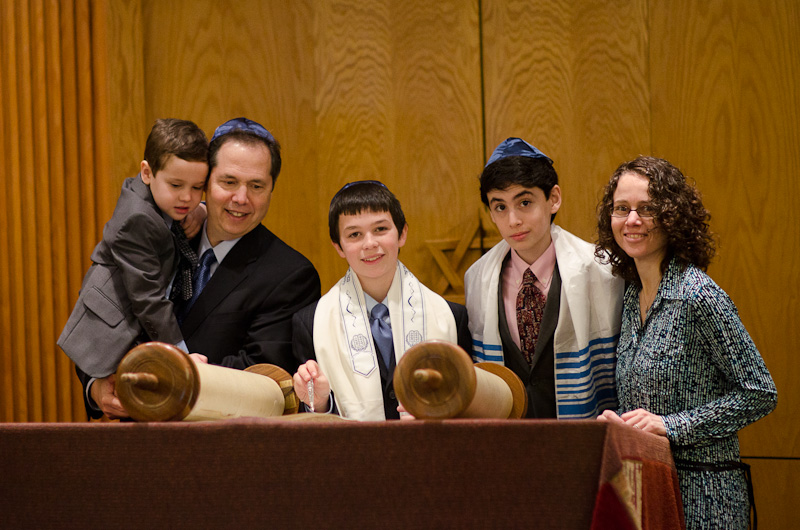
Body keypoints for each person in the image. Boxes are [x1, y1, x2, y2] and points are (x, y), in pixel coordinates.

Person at [78, 117, 322, 420]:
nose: (241, 198)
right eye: (228, 182)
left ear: (272, 189)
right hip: (131, 431)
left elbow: (261, 375)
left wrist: (160, 380)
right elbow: (104, 310)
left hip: (217, 439)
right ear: (205, 182)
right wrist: (96, 385)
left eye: (256, 186)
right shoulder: (156, 234)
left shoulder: (291, 275)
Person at [595, 156, 777, 529]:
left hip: (706, 499)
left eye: (647, 209)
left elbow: (760, 393)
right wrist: (621, 427)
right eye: (622, 208)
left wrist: (673, 425)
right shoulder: (630, 296)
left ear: (672, 217)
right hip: (649, 492)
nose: (632, 220)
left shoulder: (698, 295)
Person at [464, 138, 624, 419]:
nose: (513, 220)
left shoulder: (601, 270)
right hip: (509, 435)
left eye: (525, 202)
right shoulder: (478, 278)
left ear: (553, 198)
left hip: (580, 431)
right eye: (500, 207)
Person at [292, 181, 472, 420]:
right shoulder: (311, 323)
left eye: (380, 229)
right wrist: (322, 402)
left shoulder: (451, 316)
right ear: (339, 247)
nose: (370, 243)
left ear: (402, 233)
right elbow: (310, 415)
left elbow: (468, 405)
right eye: (354, 234)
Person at [59, 118, 209, 380]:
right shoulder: (136, 219)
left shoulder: (156, 197)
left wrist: (203, 209)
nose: (187, 197)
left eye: (197, 187)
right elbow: (148, 298)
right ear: (147, 172)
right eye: (176, 185)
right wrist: (180, 354)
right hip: (110, 334)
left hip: (137, 324)